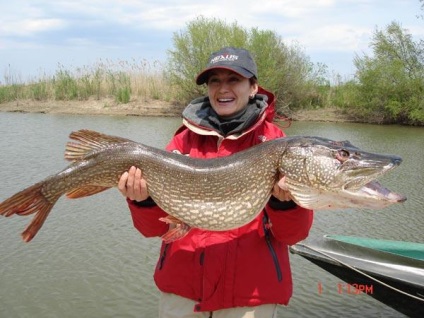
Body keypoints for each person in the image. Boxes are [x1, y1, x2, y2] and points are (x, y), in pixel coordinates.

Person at [118, 47, 314, 318]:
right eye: (215, 81)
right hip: (183, 294)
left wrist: (286, 206)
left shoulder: (276, 144)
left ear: (253, 87)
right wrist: (144, 201)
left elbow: (293, 235)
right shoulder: (182, 142)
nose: (223, 89)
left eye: (233, 80)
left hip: (249, 298)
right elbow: (153, 229)